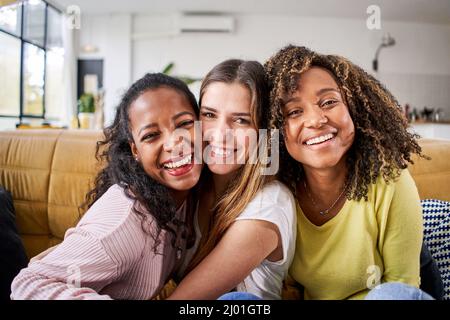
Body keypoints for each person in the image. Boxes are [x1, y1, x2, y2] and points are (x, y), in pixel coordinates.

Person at [10, 73, 203, 300]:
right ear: (135, 151)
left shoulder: (193, 193)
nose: (174, 143)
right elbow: (28, 285)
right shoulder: (126, 221)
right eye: (151, 135)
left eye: (184, 124)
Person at [264, 45, 428, 300]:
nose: (316, 120)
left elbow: (403, 287)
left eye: (329, 102)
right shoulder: (278, 195)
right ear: (275, 129)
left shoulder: (389, 179)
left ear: (354, 108)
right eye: (294, 112)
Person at [168, 59, 296, 300]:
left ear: (263, 131)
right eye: (209, 115)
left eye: (241, 120)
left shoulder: (269, 202)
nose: (220, 135)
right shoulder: (189, 188)